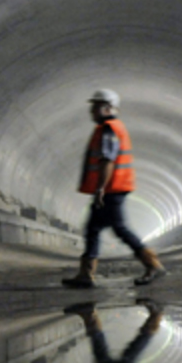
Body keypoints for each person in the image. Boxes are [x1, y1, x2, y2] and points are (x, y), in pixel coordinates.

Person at [62, 89, 167, 288]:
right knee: (93, 228)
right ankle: (86, 274)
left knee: (119, 228)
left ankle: (152, 264)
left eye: (96, 106)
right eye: (92, 107)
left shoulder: (109, 129)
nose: (92, 111)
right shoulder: (108, 128)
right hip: (112, 188)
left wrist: (100, 188)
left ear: (108, 108)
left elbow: (107, 160)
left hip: (112, 188)